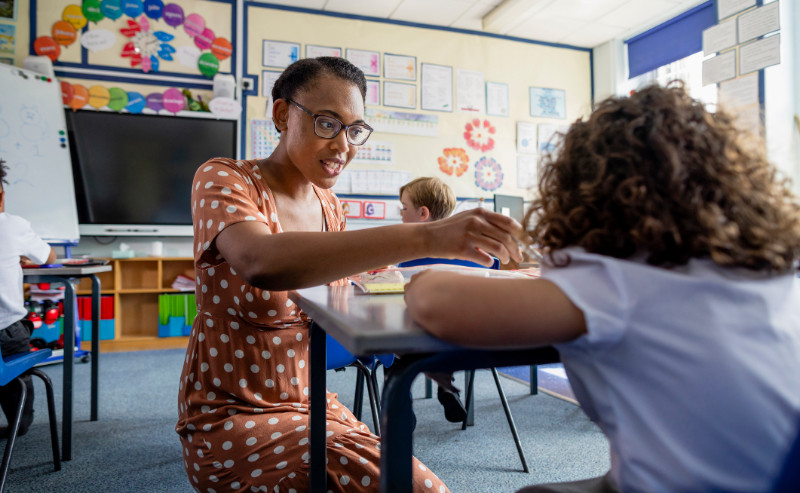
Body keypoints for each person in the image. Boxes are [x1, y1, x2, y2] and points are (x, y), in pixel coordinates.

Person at [405, 83, 800, 493]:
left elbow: (436, 302)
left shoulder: (615, 278)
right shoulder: (768, 270)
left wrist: (424, 273)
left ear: (588, 189)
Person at [175, 56, 526, 492]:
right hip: (230, 415)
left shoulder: (330, 208)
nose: (344, 145)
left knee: (402, 480)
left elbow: (344, 295)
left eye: (355, 129)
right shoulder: (225, 177)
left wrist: (435, 287)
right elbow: (262, 261)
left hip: (312, 404)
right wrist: (426, 238)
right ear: (283, 115)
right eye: (327, 123)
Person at [398, 177, 468, 423]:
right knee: (444, 335)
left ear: (422, 213)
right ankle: (446, 387)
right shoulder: (466, 249)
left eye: (404, 208)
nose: (401, 214)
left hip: (413, 337)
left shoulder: (406, 252)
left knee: (393, 349)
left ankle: (401, 402)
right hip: (463, 340)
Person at [0, 158, 57, 437]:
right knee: (21, 332)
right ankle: (18, 424)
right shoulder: (13, 225)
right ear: (1, 194)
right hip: (6, 333)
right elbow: (50, 257)